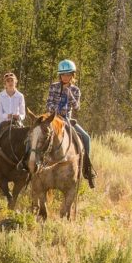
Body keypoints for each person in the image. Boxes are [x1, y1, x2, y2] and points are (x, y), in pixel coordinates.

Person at [46, 59, 97, 188]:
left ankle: (87, 169)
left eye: (68, 74)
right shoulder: (54, 87)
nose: (65, 77)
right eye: (63, 74)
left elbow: (77, 107)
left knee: (86, 138)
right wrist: (55, 110)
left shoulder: (75, 90)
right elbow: (49, 104)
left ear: (72, 75)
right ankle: (31, 167)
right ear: (60, 75)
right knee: (37, 135)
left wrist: (69, 94)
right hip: (53, 118)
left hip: (67, 119)